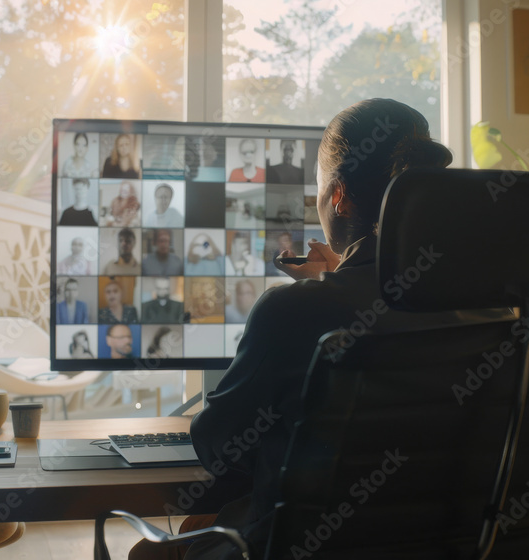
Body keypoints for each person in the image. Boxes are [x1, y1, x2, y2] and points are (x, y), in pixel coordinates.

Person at [127, 99, 508, 560]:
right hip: (445, 547)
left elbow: (222, 448)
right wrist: (337, 284)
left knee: (148, 554)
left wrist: (321, 296)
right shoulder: (491, 311)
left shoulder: (291, 310)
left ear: (339, 195)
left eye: (318, 189)